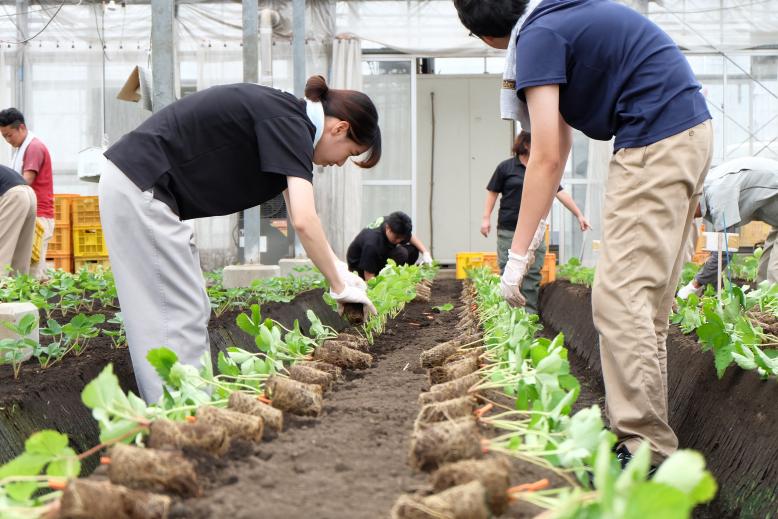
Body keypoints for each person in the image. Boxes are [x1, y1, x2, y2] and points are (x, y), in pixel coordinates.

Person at [455, 0, 713, 470]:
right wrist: (533, 235)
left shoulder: (535, 36)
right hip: (685, 132)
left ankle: (645, 451)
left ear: (486, 33)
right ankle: (645, 441)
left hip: (655, 139)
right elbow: (560, 140)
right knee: (645, 308)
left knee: (617, 300)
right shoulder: (556, 20)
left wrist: (515, 258)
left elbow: (547, 155)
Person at [99, 76, 381, 403]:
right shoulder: (291, 123)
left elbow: (302, 217)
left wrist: (339, 271)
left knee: (185, 306)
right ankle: (181, 415)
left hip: (141, 185)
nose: (339, 162)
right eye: (351, 152)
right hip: (142, 185)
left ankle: (186, 409)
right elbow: (305, 220)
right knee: (172, 310)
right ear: (340, 129)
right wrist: (339, 286)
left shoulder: (289, 120)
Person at [480, 131, 591, 313]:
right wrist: (486, 219)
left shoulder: (543, 170)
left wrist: (579, 214)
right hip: (509, 229)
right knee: (509, 271)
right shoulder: (506, 168)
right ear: (526, 144)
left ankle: (528, 316)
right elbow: (492, 192)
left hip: (535, 231)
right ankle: (508, 318)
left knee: (532, 273)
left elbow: (559, 192)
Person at [678, 157, 778, 299]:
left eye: (686, 213)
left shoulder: (718, 195)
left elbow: (724, 252)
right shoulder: (706, 186)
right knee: (765, 268)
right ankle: (767, 310)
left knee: (775, 270)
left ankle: (774, 313)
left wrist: (694, 286)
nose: (689, 218)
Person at [0, 108, 55, 280]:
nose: (8, 140)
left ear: (21, 128)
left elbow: (27, 179)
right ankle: (21, 296)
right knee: (23, 258)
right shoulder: (22, 149)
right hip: (29, 203)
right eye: (4, 137)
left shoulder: (33, 147)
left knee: (33, 265)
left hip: (38, 211)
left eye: (9, 135)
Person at [346, 211, 433, 280]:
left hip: (377, 255)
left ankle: (399, 277)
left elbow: (410, 237)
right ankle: (388, 280)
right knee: (401, 253)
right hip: (359, 268)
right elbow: (368, 276)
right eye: (397, 237)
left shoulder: (394, 223)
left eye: (402, 238)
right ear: (388, 228)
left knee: (413, 250)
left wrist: (425, 252)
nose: (399, 241)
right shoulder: (372, 243)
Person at [0, 164, 37, 276]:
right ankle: (18, 289)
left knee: (2, 247)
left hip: (11, 195)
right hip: (28, 193)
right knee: (21, 253)